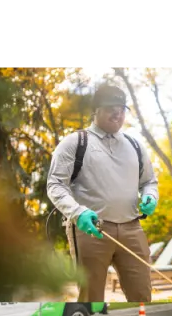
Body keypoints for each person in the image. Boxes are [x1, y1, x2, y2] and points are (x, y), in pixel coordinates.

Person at [47, 84, 159, 303]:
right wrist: (77, 212)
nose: (117, 113)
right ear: (95, 110)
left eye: (122, 108)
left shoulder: (135, 145)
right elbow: (55, 185)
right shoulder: (75, 142)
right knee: (91, 298)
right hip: (92, 230)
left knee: (142, 295)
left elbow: (149, 182)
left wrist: (151, 196)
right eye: (111, 107)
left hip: (132, 228)